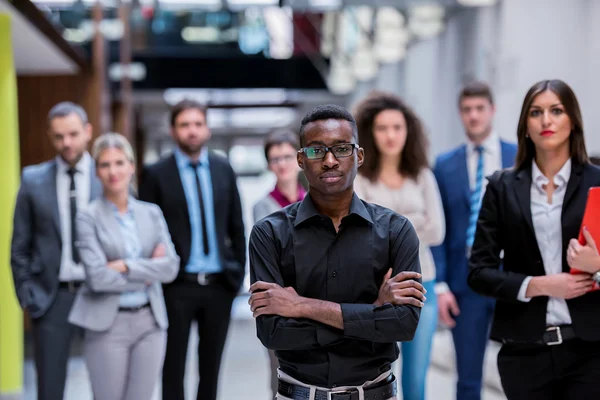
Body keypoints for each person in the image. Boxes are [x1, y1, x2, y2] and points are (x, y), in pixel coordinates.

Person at [249, 104, 427, 400]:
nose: (330, 160)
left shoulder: (396, 231)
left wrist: (301, 306)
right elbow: (273, 332)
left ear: (358, 156)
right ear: (301, 160)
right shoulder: (269, 233)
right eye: (317, 151)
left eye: (341, 149)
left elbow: (403, 325)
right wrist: (373, 311)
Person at [467, 79, 600, 399]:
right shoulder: (501, 187)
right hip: (524, 352)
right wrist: (540, 285)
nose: (546, 120)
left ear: (573, 121)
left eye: (557, 110)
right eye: (536, 112)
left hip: (591, 352)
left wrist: (597, 267)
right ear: (525, 125)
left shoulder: (598, 182)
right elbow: (478, 272)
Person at [138, 99, 246, 400]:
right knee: (172, 367)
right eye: (185, 125)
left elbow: (237, 226)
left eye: (197, 124)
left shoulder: (224, 169)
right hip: (176, 286)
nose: (192, 131)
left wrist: (236, 276)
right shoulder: (156, 173)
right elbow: (145, 228)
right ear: (173, 131)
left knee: (211, 369)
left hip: (218, 285)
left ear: (207, 129)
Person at [68, 133, 179, 400]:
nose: (113, 171)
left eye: (119, 163)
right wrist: (147, 269)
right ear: (96, 171)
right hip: (108, 323)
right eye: (105, 165)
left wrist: (124, 266)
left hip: (150, 322)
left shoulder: (151, 213)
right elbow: (96, 278)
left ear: (131, 166)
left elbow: (170, 268)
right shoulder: (87, 217)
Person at [353, 91, 445, 400]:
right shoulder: (362, 179)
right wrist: (413, 219)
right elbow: (362, 234)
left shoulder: (422, 176)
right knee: (375, 377)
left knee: (416, 379)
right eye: (382, 128)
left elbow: (438, 232)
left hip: (423, 286)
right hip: (376, 291)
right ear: (370, 132)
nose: (391, 135)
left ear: (409, 131)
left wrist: (388, 222)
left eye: (397, 127)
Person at [430, 81, 518, 400]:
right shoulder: (445, 165)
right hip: (465, 283)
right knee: (467, 378)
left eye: (480, 109)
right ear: (460, 114)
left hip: (515, 277)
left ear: (492, 111)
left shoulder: (518, 155)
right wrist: (440, 286)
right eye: (467, 110)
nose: (474, 116)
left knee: (525, 373)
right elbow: (439, 231)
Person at [10, 102, 101, 400]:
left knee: (108, 386)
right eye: (59, 136)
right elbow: (19, 245)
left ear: (88, 132)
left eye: (73, 134)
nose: (67, 143)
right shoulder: (33, 180)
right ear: (50, 135)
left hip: (101, 294)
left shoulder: (109, 176)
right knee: (50, 389)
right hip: (51, 297)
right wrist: (28, 294)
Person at [252, 129, 306, 399]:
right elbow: (274, 255)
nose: (282, 164)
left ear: (299, 159)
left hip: (313, 299)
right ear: (269, 165)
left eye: (286, 156)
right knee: (281, 378)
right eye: (275, 159)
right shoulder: (262, 207)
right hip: (279, 302)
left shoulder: (316, 201)